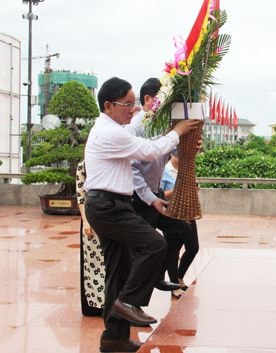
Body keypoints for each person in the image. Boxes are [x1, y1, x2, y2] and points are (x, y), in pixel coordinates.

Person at [84, 77, 199, 353]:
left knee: (118, 271)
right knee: (154, 244)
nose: (134, 109)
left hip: (112, 204)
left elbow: (149, 152)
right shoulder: (110, 132)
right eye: (128, 104)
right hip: (107, 206)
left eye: (134, 103)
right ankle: (128, 303)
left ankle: (114, 338)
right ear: (109, 105)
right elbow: (148, 151)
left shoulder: (115, 130)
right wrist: (178, 131)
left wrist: (180, 142)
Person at [126, 77, 198, 299]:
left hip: (154, 194)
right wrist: (151, 198)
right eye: (164, 101)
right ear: (148, 100)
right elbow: (132, 170)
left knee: (181, 230)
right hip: (138, 197)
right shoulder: (136, 127)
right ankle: (135, 301)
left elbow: (173, 152)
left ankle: (160, 277)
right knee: (146, 248)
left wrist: (191, 146)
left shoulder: (165, 124)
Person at [160, 154, 200, 298]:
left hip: (187, 212)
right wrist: (178, 189)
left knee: (193, 247)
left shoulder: (187, 169)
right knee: (173, 250)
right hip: (171, 215)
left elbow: (192, 189)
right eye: (178, 152)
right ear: (171, 153)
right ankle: (174, 285)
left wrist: (194, 189)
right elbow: (159, 195)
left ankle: (179, 276)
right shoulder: (163, 170)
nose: (181, 155)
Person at [76, 160, 104, 317]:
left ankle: (110, 302)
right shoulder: (84, 165)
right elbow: (81, 194)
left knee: (110, 263)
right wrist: (86, 221)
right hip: (90, 218)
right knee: (92, 264)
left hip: (109, 216)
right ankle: (94, 305)